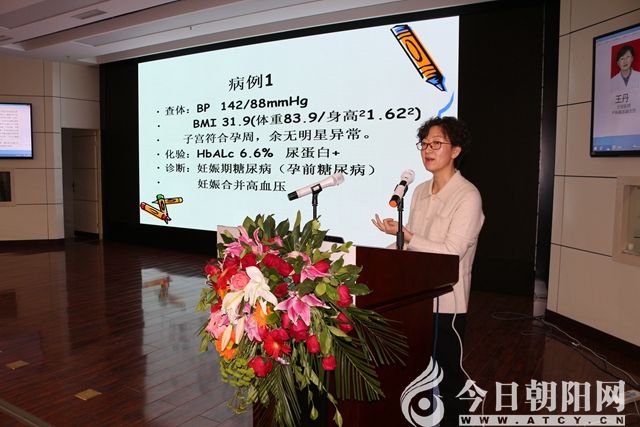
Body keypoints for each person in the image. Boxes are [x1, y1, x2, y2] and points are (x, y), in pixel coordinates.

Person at [372, 116, 484, 427]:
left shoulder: (468, 195)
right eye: (424, 144)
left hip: (447, 303)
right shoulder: (419, 191)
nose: (428, 150)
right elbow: (413, 244)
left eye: (436, 144)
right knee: (418, 375)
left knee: (449, 380)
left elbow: (452, 251)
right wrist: (384, 249)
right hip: (415, 301)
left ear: (456, 150)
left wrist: (408, 236)